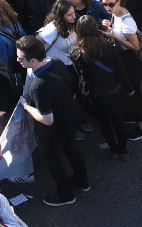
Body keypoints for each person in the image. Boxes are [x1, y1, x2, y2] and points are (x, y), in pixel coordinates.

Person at [12, 35, 91, 207]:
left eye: (20, 58)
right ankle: (82, 182)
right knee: (72, 151)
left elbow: (47, 119)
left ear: (32, 60)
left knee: (52, 160)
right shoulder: (55, 61)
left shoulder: (38, 85)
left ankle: (65, 194)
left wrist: (26, 106)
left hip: (53, 130)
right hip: (70, 118)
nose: (17, 61)